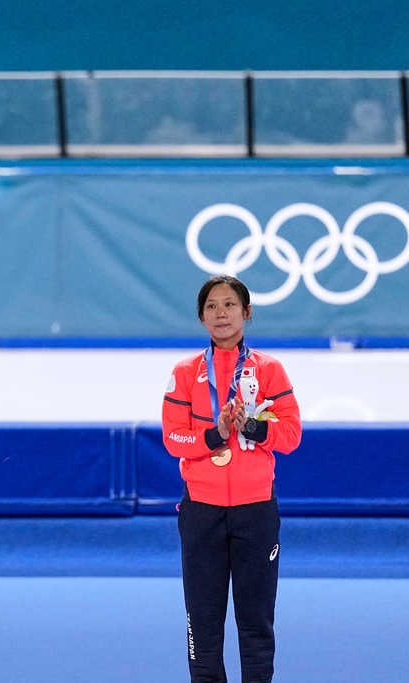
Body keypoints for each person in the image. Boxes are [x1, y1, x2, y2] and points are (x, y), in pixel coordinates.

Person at [162, 275, 302, 683]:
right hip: (201, 512)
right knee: (202, 632)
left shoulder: (269, 370)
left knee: (256, 629)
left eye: (229, 305)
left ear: (247, 312)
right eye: (211, 307)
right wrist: (215, 434)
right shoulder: (186, 373)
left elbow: (291, 436)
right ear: (201, 316)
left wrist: (254, 429)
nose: (220, 314)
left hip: (255, 511)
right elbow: (173, 438)